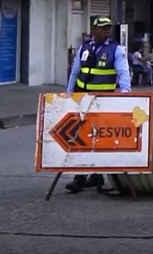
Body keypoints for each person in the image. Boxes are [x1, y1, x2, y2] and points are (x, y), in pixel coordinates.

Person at [64, 16, 131, 193]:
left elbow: (124, 73)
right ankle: (89, 176)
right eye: (102, 28)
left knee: (100, 138)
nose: (106, 30)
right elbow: (75, 72)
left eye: (108, 27)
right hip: (82, 99)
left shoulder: (116, 49)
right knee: (82, 137)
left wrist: (125, 96)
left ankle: (90, 177)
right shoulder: (85, 48)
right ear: (93, 30)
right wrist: (68, 95)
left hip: (103, 101)